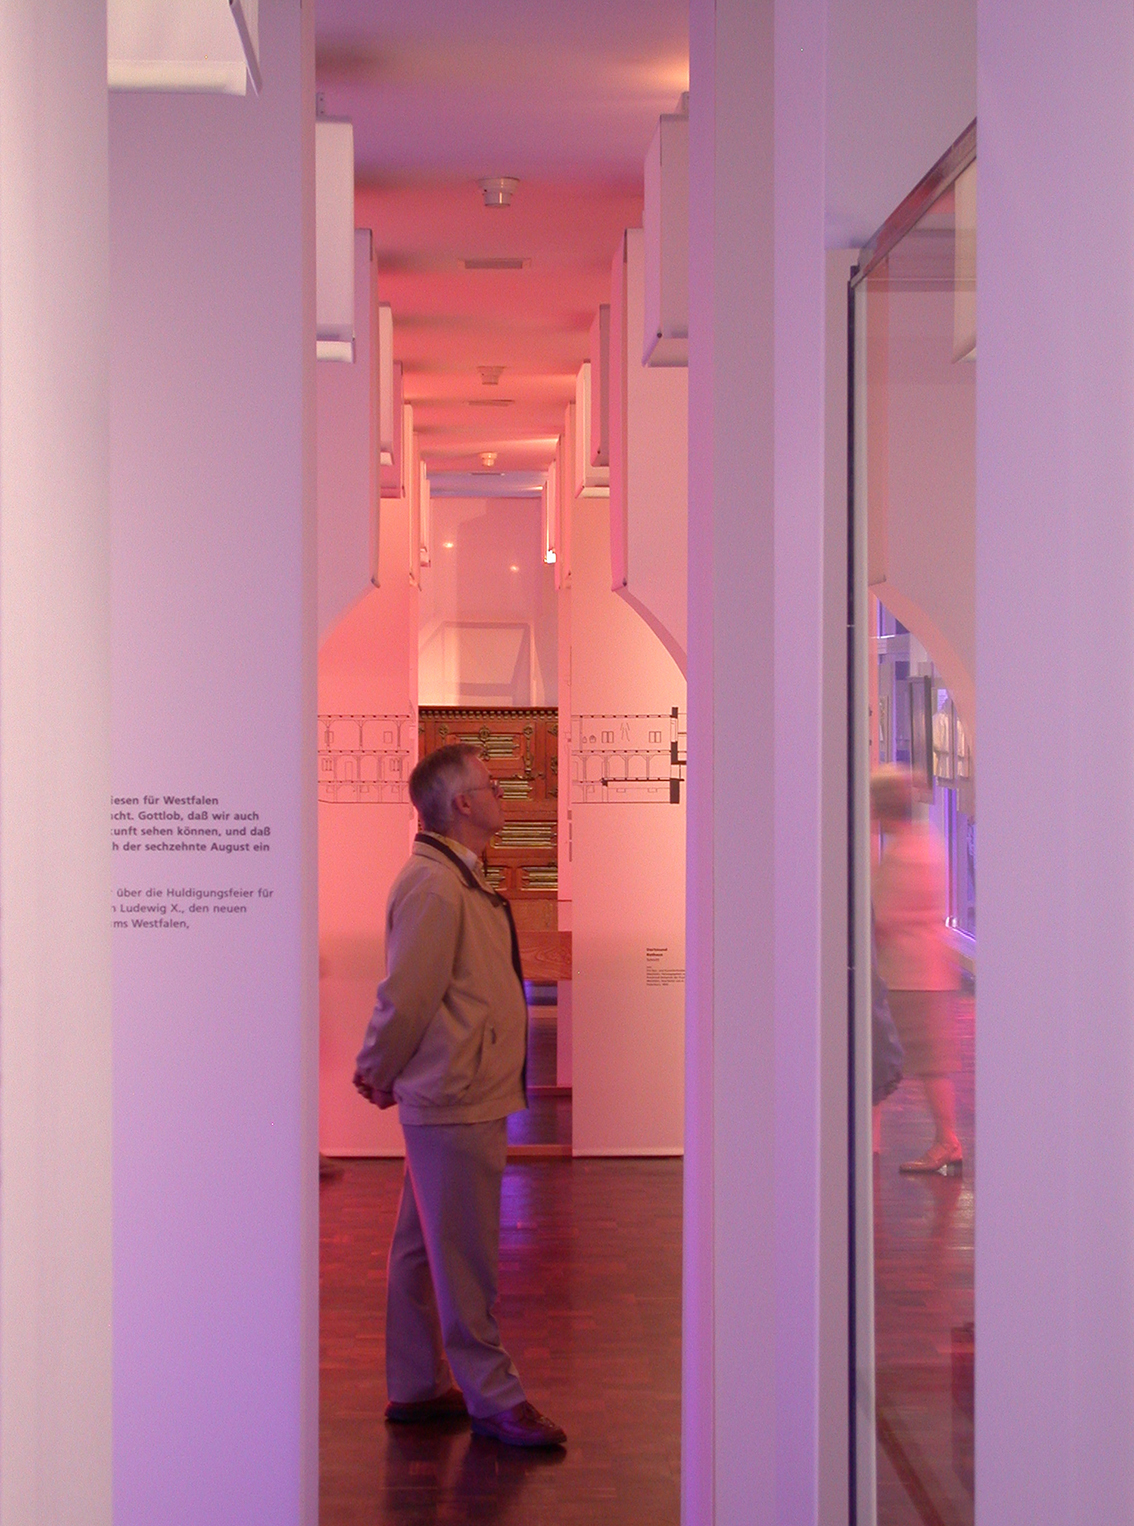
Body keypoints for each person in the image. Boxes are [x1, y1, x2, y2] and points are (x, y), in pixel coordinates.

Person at [353, 742, 567, 1448]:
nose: (502, 793)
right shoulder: (435, 885)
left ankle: (417, 1385)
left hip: (460, 1090)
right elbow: (407, 996)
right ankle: (494, 1397)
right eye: (491, 784)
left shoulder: (453, 878)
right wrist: (376, 1068)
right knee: (465, 1258)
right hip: (455, 1096)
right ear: (462, 803)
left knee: (422, 1248)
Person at [871, 765, 962, 1175]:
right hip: (925, 972)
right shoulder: (924, 842)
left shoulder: (903, 853)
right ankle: (945, 1140)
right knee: (927, 1065)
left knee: (896, 1062)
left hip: (912, 976)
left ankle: (946, 1141)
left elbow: (883, 920)